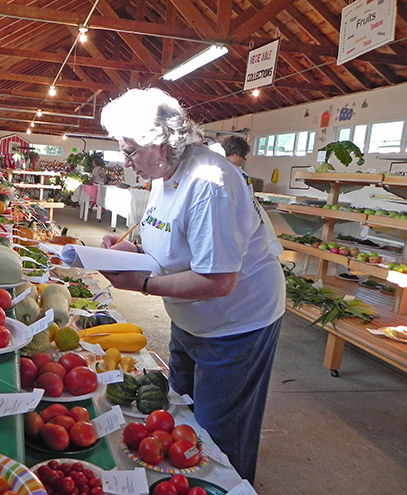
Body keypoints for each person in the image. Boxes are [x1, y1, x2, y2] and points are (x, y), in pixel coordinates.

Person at [99, 88, 285, 485]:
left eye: (130, 151)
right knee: (180, 415)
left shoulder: (211, 183)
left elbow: (218, 280)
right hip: (190, 317)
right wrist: (127, 250)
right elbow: (161, 239)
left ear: (161, 142)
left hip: (237, 325)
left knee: (219, 436)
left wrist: (145, 283)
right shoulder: (162, 172)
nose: (126, 162)